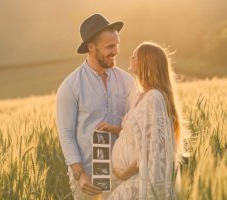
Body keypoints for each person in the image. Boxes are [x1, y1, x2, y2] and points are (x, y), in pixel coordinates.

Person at [56, 14, 136, 199]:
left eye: (117, 44)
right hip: (89, 177)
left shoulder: (127, 81)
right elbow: (66, 134)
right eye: (109, 46)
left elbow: (136, 125)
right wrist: (80, 174)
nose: (116, 51)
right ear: (91, 47)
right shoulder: (70, 87)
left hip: (123, 171)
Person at [99, 42, 182, 199]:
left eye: (134, 56)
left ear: (146, 62)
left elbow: (153, 147)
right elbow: (139, 133)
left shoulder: (154, 97)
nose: (130, 57)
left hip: (137, 181)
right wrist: (114, 129)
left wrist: (124, 173)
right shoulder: (140, 95)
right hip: (125, 180)